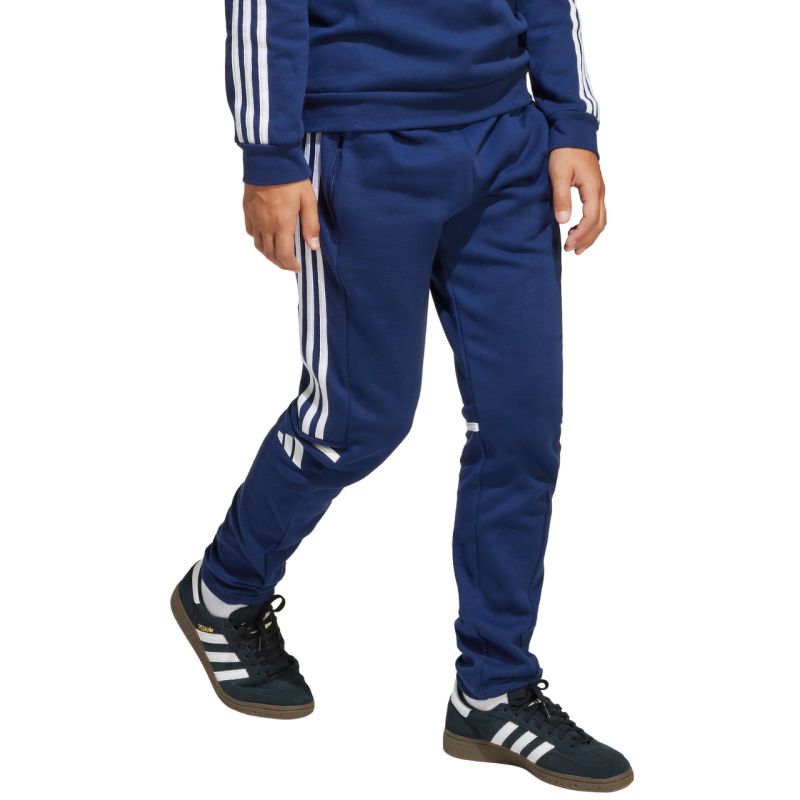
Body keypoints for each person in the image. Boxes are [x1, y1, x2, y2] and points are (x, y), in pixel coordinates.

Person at [171, 0, 632, 791]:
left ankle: (492, 688)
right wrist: (269, 155)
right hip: (358, 145)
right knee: (354, 421)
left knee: (522, 428)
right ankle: (225, 590)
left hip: (507, 142)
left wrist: (570, 120)